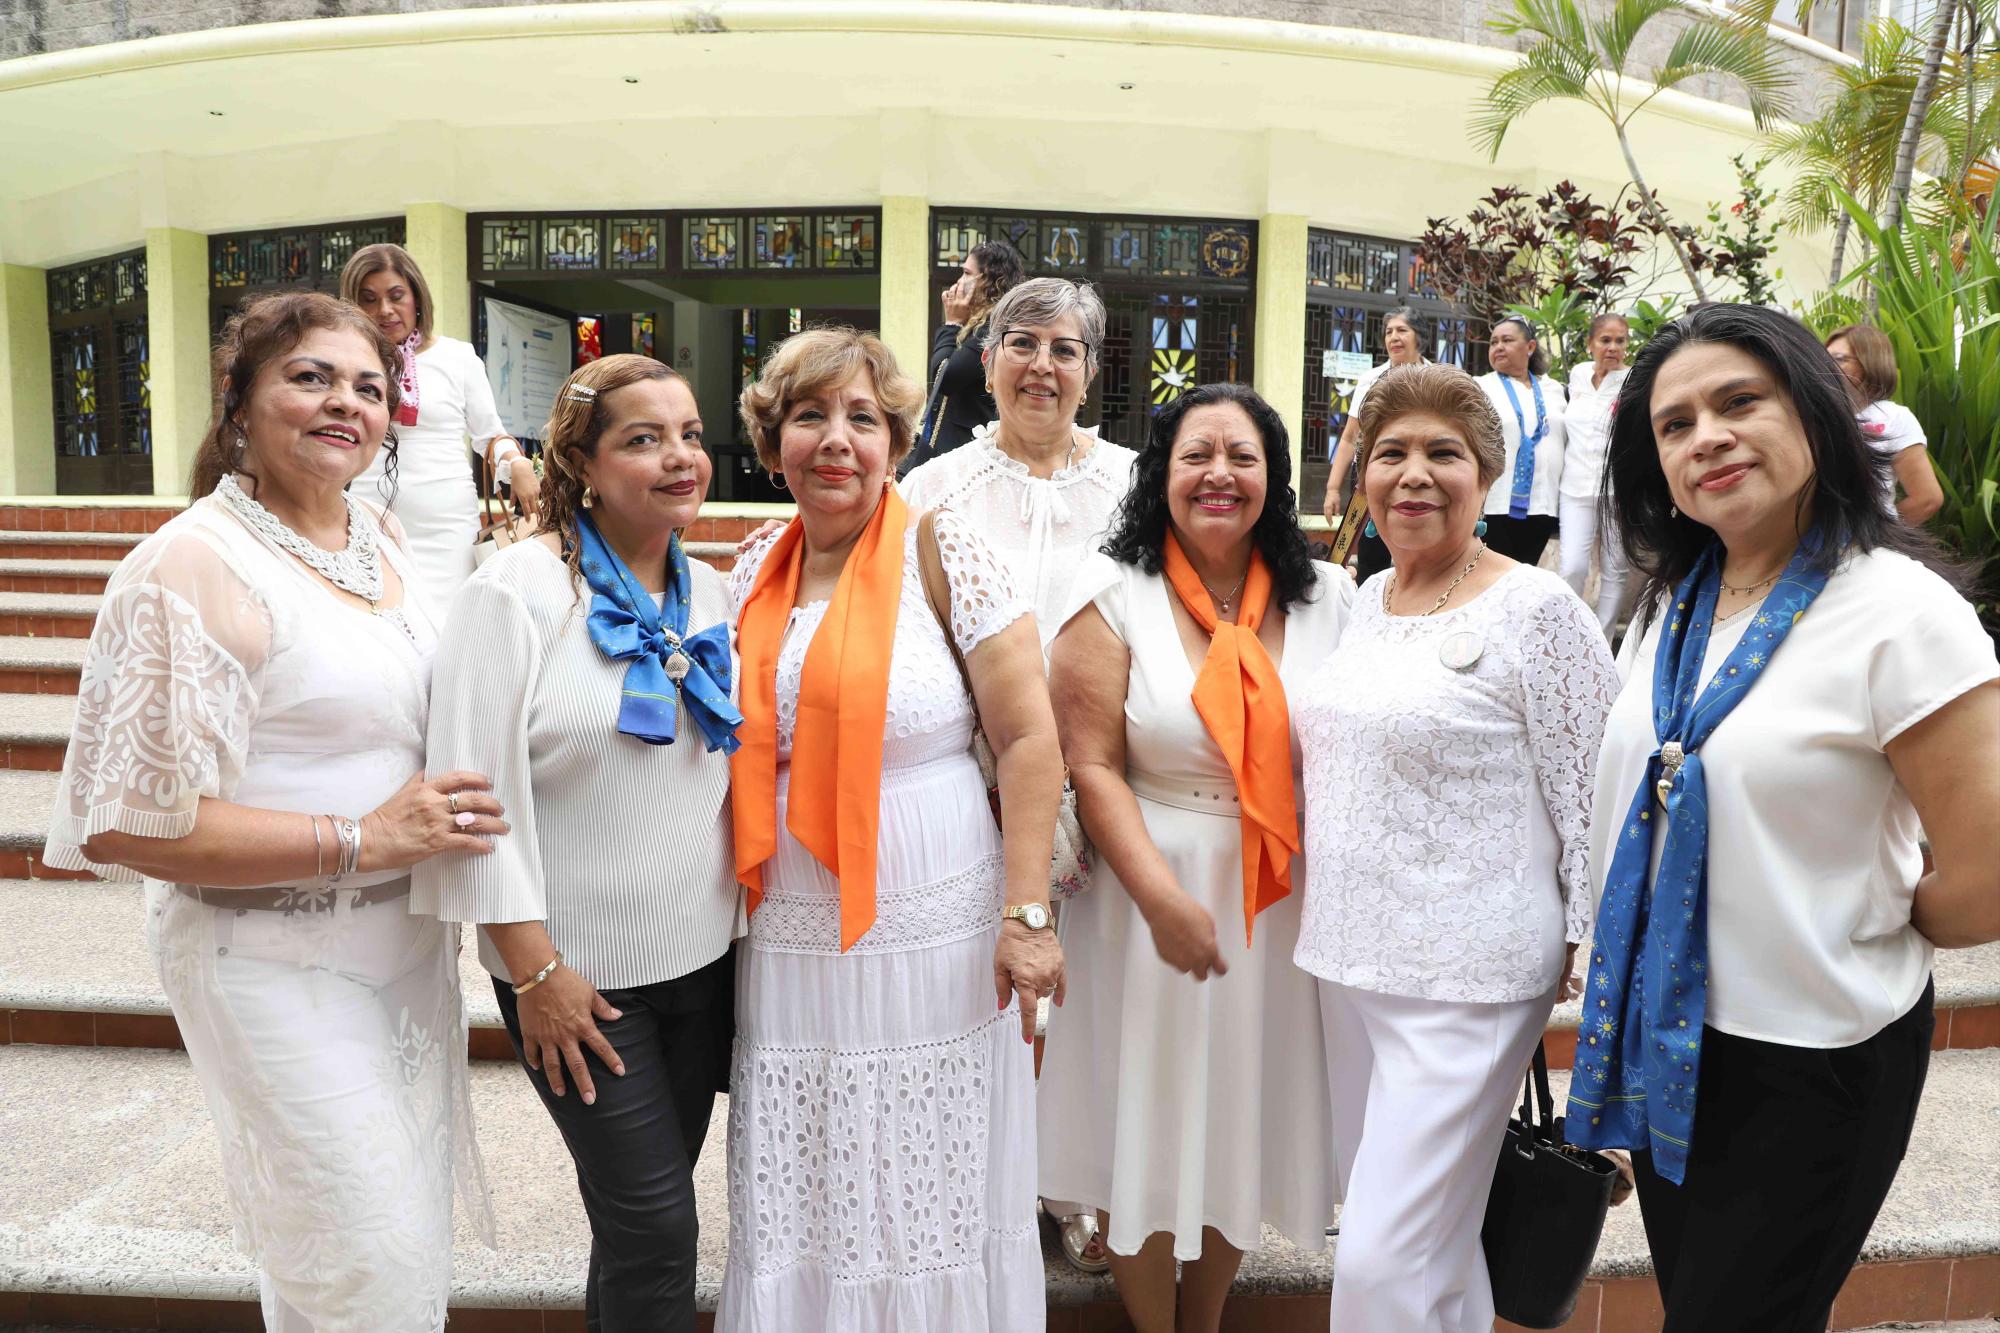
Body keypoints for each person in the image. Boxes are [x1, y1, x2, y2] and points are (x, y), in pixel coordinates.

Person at [44, 291, 497, 1331]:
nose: (346, 402)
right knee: (367, 1267)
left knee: (343, 1258)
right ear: (238, 401)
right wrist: (363, 838)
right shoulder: (189, 565)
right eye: (311, 377)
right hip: (268, 963)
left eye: (369, 387)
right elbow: (125, 823)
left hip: (401, 957)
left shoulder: (377, 537)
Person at [1568, 304, 1999, 1332]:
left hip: (1812, 1058)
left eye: (1736, 401)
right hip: (1677, 1038)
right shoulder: (1675, 602)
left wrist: (1864, 917)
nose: (1704, 436)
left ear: (1811, 413)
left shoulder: (1898, 612)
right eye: (1673, 425)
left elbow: (1983, 873)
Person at [718, 327, 1066, 1332]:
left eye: (861, 419)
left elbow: (1030, 741)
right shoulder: (750, 573)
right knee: (815, 1158)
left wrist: (1028, 913)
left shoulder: (944, 550)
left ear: (896, 440)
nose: (835, 440)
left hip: (936, 919)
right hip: (789, 928)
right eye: (808, 416)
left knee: (927, 1163)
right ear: (771, 438)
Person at [413, 354, 741, 1332]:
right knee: (656, 1230)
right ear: (582, 464)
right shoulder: (512, 593)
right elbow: (471, 802)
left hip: (705, 970)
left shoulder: (715, 592)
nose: (679, 456)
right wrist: (534, 972)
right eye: (643, 438)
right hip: (578, 985)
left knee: (638, 1220)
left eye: (688, 433)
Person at [1292, 362, 1617, 1331]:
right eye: (1389, 453)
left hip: (1469, 975)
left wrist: (1587, 944)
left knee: (1380, 1262)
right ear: (1361, 476)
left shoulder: (1537, 609)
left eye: (1443, 454)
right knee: (1424, 1242)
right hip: (1345, 961)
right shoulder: (1363, 597)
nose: (1412, 474)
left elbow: (1590, 793)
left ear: (1484, 476)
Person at [1041, 383, 1351, 1333]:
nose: (1220, 474)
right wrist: (1163, 898)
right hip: (1148, 892)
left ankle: (1205, 1317)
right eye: (1196, 455)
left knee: (1234, 1118)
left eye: (1243, 457)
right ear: (1161, 474)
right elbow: (1089, 766)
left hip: (1274, 895)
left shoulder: (1329, 599)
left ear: (1275, 479)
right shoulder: (1109, 594)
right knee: (1147, 1115)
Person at [901, 273, 1133, 1274]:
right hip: (969, 772)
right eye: (1020, 343)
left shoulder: (1133, 482)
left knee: (1093, 992)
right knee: (983, 985)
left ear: (1089, 368)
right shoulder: (928, 488)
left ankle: (1075, 1184)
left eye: (1063, 348)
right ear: (984, 358)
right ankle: (976, 1178)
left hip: (1106, 771)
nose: (1041, 365)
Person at [341, 242, 539, 614]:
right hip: (370, 513)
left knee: (450, 625)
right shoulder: (349, 363)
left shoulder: (457, 356)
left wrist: (517, 463)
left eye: (396, 295)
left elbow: (488, 436)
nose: (384, 310)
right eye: (369, 299)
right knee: (383, 620)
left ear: (417, 297)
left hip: (446, 521)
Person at [1319, 306, 1427, 584]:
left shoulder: (1435, 379)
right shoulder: (1370, 379)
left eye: (1402, 330)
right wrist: (1332, 488)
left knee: (1417, 546)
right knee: (1369, 554)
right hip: (1371, 475)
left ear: (1419, 337)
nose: (1394, 337)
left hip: (1417, 475)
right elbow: (1349, 437)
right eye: (1389, 332)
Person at [905, 239, 1028, 470]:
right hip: (950, 449)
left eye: (966, 273)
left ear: (989, 279)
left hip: (965, 453)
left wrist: (951, 323)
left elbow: (944, 376)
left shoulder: (996, 327)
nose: (959, 282)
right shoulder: (977, 324)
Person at [1824, 321, 1944, 524]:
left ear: (1870, 363)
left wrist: (1878, 534)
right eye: (1824, 359)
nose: (1826, 368)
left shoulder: (1894, 418)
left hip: (1860, 548)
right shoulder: (1814, 414)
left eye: (1839, 359)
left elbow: (1927, 499)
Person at [1559, 312, 1634, 634]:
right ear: (1590, 344)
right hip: (1574, 488)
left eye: (1620, 341)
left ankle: (1602, 641)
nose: (1613, 347)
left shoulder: (1634, 381)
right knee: (1572, 567)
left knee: (1614, 569)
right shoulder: (1577, 376)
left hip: (1618, 490)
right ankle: (1570, 634)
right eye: (1605, 340)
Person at [1477, 315, 1568, 565]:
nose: (1498, 347)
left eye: (1507, 340)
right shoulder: (1479, 387)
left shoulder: (1554, 390)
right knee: (1495, 575)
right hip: (1495, 502)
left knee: (1525, 575)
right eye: (1493, 342)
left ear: (1530, 347)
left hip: (1543, 503)